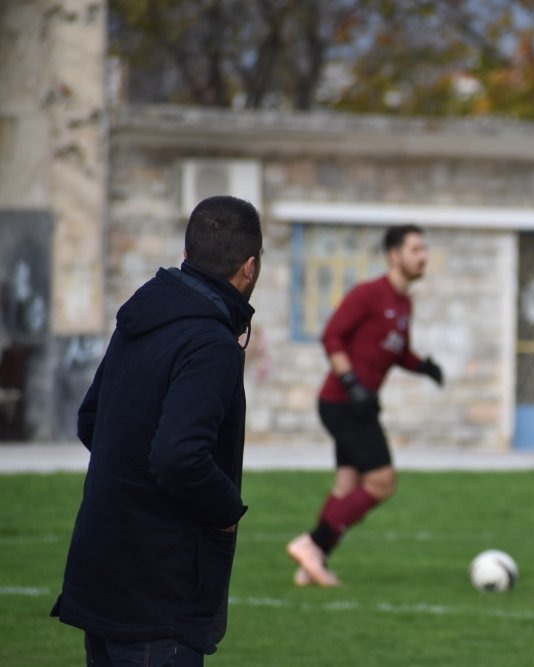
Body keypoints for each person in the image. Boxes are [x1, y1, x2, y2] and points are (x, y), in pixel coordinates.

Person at [51, 196, 263, 666]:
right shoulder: (211, 344)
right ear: (249, 268)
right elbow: (178, 456)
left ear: (186, 256)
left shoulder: (141, 316)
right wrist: (226, 509)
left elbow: (92, 420)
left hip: (102, 569)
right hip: (158, 591)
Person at [286, 224, 444, 587]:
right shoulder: (369, 293)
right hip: (342, 403)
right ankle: (312, 544)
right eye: (416, 250)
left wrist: (424, 367)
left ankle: (312, 564)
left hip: (360, 405)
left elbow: (397, 350)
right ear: (394, 256)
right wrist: (351, 382)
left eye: (424, 250)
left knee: (347, 483)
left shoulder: (404, 303)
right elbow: (332, 336)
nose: (424, 257)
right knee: (382, 482)